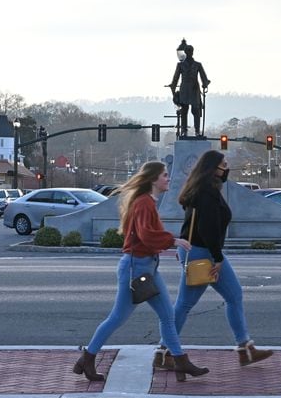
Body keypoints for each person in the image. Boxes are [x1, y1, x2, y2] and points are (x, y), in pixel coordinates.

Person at [73, 161, 209, 382]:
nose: (168, 179)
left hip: (146, 266)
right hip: (136, 268)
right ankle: (87, 358)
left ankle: (180, 361)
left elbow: (145, 236)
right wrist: (173, 240)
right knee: (118, 317)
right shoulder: (144, 203)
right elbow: (146, 235)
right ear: (153, 179)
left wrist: (168, 245)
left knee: (167, 316)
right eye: (164, 175)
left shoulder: (146, 202)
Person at [153, 150, 273, 371]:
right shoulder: (207, 192)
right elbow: (208, 229)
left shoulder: (202, 189)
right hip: (203, 253)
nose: (226, 168)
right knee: (187, 304)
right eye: (223, 164)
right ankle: (164, 351)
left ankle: (245, 348)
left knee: (230, 296)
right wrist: (217, 257)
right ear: (213, 168)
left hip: (199, 251)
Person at [168, 39, 210, 138]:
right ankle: (184, 130)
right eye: (188, 51)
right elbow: (176, 77)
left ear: (192, 52)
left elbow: (204, 77)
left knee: (196, 110)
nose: (190, 53)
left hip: (195, 89)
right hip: (184, 90)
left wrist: (205, 83)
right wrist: (173, 86)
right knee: (184, 111)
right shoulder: (180, 65)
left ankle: (197, 131)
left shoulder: (198, 65)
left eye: (191, 51)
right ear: (186, 52)